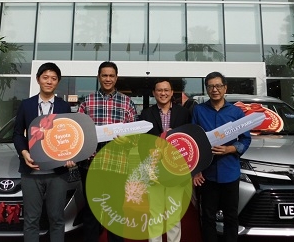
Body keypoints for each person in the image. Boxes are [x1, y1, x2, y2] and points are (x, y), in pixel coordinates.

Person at [13, 62, 75, 242]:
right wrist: (24, 152)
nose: (49, 81)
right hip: (32, 171)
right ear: (38, 79)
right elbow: (17, 134)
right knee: (31, 219)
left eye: (53, 78)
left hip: (57, 172)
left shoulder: (64, 107)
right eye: (45, 77)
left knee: (57, 219)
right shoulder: (26, 105)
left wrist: (70, 157)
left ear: (58, 82)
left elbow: (69, 136)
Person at [78, 61, 138, 242]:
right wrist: (88, 151)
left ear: (116, 78)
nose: (108, 79)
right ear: (98, 77)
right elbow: (79, 134)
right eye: (104, 75)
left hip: (117, 166)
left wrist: (126, 141)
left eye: (111, 76)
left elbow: (135, 136)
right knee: (91, 213)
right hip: (91, 166)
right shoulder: (87, 101)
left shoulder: (127, 103)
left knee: (116, 213)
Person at [191, 72, 251, 242]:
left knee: (231, 217)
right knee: (207, 217)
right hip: (206, 175)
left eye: (218, 86)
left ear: (225, 88)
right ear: (207, 89)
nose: (214, 89)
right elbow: (194, 141)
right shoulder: (198, 111)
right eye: (210, 86)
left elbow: (246, 139)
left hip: (230, 172)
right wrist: (196, 170)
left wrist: (230, 149)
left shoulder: (236, 112)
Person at [139, 79, 192, 242]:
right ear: (154, 93)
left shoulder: (183, 114)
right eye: (159, 90)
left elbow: (189, 141)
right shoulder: (146, 114)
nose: (163, 93)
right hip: (154, 169)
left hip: (175, 170)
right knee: (155, 213)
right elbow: (142, 143)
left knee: (173, 214)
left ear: (171, 92)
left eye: (166, 90)